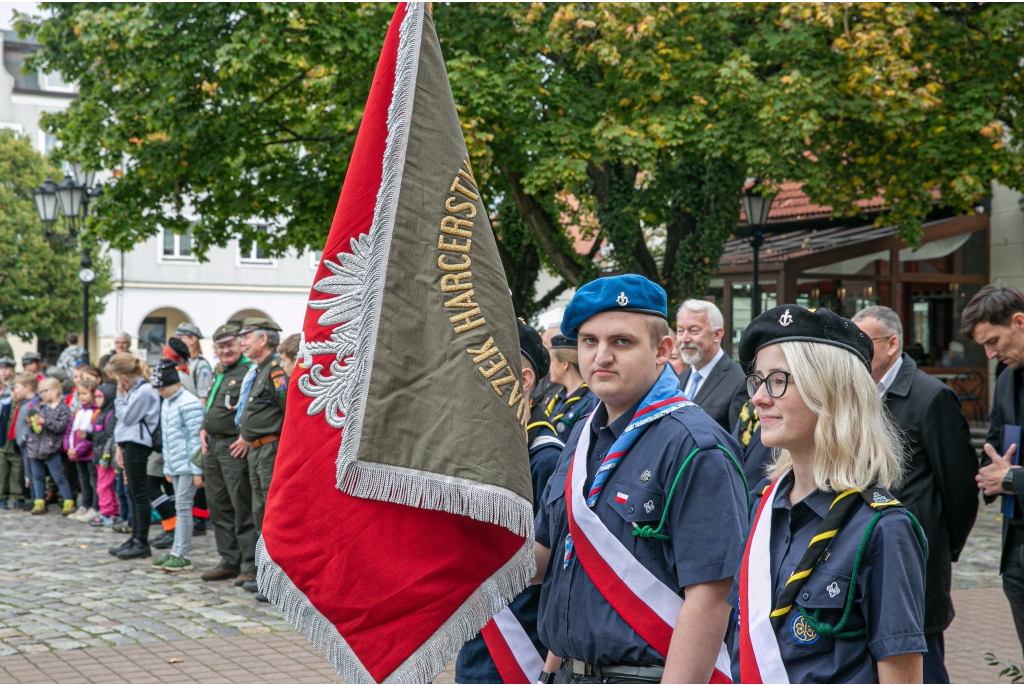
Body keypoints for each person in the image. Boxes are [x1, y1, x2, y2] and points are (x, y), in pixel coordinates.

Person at [533, 275, 748, 684]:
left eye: (622, 342)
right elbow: (552, 561)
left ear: (662, 350)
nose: (602, 356)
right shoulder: (581, 432)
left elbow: (710, 598)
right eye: (589, 341)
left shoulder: (695, 446)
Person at [734, 305, 927, 684]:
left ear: (833, 392)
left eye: (777, 380)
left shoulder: (881, 529)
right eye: (757, 380)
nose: (758, 398)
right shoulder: (763, 508)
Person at [851, 305, 978, 683]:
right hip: (866, 548)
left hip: (916, 553)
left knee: (922, 655)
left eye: (864, 342)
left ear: (892, 344)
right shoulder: (857, 394)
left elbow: (960, 489)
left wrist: (940, 545)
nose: (855, 352)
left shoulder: (931, 396)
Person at [456, 322, 564, 684]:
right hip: (479, 642)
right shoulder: (490, 453)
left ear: (524, 379)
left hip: (520, 650)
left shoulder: (545, 459)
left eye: (482, 368)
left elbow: (554, 570)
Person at [962, 285, 1024, 654]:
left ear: (1020, 322)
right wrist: (991, 474)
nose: (990, 353)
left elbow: (1008, 474)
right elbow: (994, 451)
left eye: (993, 341)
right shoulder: (1004, 381)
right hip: (1015, 553)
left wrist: (1013, 478)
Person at [198, 324, 258, 585]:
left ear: (239, 345)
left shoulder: (248, 370)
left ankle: (249, 563)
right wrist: (204, 427)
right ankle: (228, 559)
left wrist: (246, 436)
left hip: (234, 445)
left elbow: (253, 407)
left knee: (240, 504)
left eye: (230, 345)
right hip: (212, 445)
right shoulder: (220, 370)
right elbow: (213, 404)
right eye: (220, 347)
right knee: (217, 505)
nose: (225, 350)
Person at [237, 316, 288, 601]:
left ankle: (274, 581)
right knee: (259, 511)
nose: (242, 342)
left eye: (247, 337)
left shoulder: (275, 372)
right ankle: (264, 574)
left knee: (270, 513)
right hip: (256, 449)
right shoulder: (260, 370)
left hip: (269, 450)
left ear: (263, 340)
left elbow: (287, 412)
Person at [149, 359, 205, 572]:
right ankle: (176, 550)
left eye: (162, 388)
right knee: (180, 507)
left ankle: (182, 553)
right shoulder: (168, 402)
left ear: (174, 383)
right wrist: (168, 469)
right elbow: (168, 440)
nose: (160, 392)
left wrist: (197, 471)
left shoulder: (189, 403)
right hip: (177, 465)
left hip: (188, 466)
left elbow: (195, 439)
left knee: (183, 507)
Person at [105, 353, 161, 560]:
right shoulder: (136, 390)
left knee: (139, 493)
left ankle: (141, 540)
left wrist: (119, 397)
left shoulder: (144, 390)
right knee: (132, 492)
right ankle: (135, 536)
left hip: (139, 444)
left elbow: (127, 417)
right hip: (130, 442)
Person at [675, 300, 747, 431]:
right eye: (680, 331)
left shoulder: (739, 381)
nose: (684, 339)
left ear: (717, 334)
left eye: (694, 330)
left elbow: (739, 442)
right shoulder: (680, 380)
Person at [24, 378, 74, 515]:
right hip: (35, 446)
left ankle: (68, 500)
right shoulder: (38, 407)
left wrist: (44, 422)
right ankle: (39, 501)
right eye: (41, 392)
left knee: (58, 476)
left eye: (46, 390)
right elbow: (31, 427)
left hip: (51, 448)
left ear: (56, 390)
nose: (43, 394)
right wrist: (32, 426)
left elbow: (60, 427)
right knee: (37, 476)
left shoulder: (62, 408)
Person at [543, 335, 597, 442]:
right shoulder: (558, 396)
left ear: (564, 364)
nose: (549, 367)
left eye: (552, 361)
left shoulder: (591, 401)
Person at [64, 380, 101, 523]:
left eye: (85, 393)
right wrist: (69, 448)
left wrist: (78, 450)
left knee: (93, 481)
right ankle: (85, 505)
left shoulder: (95, 412)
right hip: (77, 455)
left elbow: (90, 436)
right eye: (79, 394)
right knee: (83, 481)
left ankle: (95, 506)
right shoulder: (78, 412)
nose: (81, 397)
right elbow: (69, 431)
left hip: (88, 454)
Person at [88, 383, 120, 527]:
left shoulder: (111, 415)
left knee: (103, 486)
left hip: (105, 458)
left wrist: (105, 457)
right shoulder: (101, 413)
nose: (97, 400)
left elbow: (110, 438)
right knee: (106, 486)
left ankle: (107, 513)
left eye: (100, 397)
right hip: (99, 455)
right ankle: (114, 511)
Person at [0, 370, 30, 509]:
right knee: (2, 472)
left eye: (17, 390)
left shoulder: (25, 406)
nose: (15, 393)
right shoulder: (5, 406)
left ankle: (18, 496)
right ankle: (2, 497)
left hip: (17, 445)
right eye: (12, 390)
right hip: (3, 444)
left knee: (17, 473)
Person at [175, 323, 214, 406]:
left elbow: (203, 398)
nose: (177, 342)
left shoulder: (201, 365)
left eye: (181, 338)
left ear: (192, 339)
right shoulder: (181, 361)